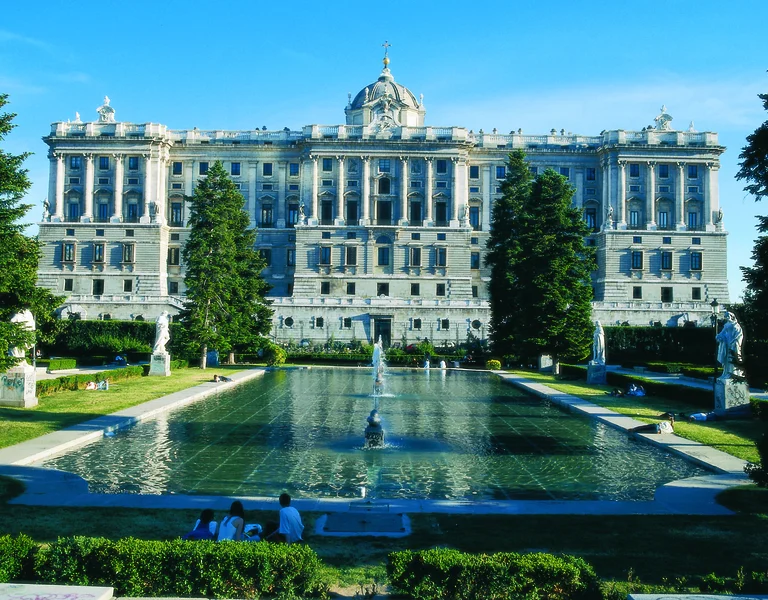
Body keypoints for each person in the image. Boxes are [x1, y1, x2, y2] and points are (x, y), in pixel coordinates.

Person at [716, 310, 744, 381]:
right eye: (726, 316)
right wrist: (719, 336)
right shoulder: (726, 325)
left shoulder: (736, 325)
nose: (727, 317)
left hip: (733, 343)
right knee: (726, 359)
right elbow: (722, 332)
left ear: (732, 317)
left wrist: (734, 342)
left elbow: (739, 335)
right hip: (727, 343)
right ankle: (726, 373)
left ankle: (733, 373)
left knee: (732, 358)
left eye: (728, 316)